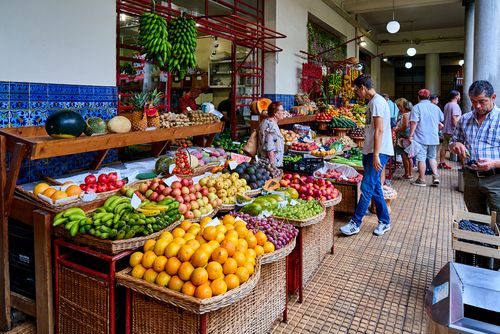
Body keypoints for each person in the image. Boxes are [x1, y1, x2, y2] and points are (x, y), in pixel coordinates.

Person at [340, 75, 394, 237]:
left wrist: (376, 154)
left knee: (366, 187)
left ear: (363, 87)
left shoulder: (377, 102)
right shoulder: (373, 102)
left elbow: (379, 130)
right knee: (375, 187)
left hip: (377, 152)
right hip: (371, 151)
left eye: (357, 89)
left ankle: (355, 223)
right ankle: (385, 222)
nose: (357, 93)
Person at [449, 80, 500, 225]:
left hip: (496, 179)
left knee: (498, 221)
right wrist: (456, 145)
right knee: (476, 219)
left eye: (482, 101)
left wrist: (494, 163)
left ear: (493, 97)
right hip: (471, 178)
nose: (477, 106)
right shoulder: (465, 119)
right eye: (473, 101)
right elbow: (453, 142)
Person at [408, 89, 444, 187]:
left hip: (421, 137)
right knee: (432, 157)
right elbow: (441, 119)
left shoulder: (417, 107)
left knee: (421, 158)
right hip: (433, 137)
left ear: (418, 97)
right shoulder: (435, 107)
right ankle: (436, 176)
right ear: (429, 97)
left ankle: (422, 179)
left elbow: (414, 122)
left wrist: (411, 135)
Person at [439, 90, 462, 169]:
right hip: (452, 130)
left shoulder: (447, 105)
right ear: (456, 96)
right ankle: (463, 165)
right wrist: (457, 129)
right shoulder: (455, 105)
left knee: (444, 147)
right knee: (459, 147)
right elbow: (454, 118)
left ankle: (441, 163)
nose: (460, 97)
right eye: (459, 95)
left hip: (446, 130)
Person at [257, 102, 285, 167]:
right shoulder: (272, 127)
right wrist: (272, 167)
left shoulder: (265, 121)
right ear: (275, 113)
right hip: (269, 164)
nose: (284, 112)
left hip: (262, 160)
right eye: (282, 110)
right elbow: (269, 148)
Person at [394, 98, 413, 179]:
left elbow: (404, 126)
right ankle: (409, 173)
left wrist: (397, 129)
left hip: (404, 137)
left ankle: (407, 174)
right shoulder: (410, 114)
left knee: (405, 157)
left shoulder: (405, 115)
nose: (398, 108)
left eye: (399, 106)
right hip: (408, 137)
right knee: (409, 156)